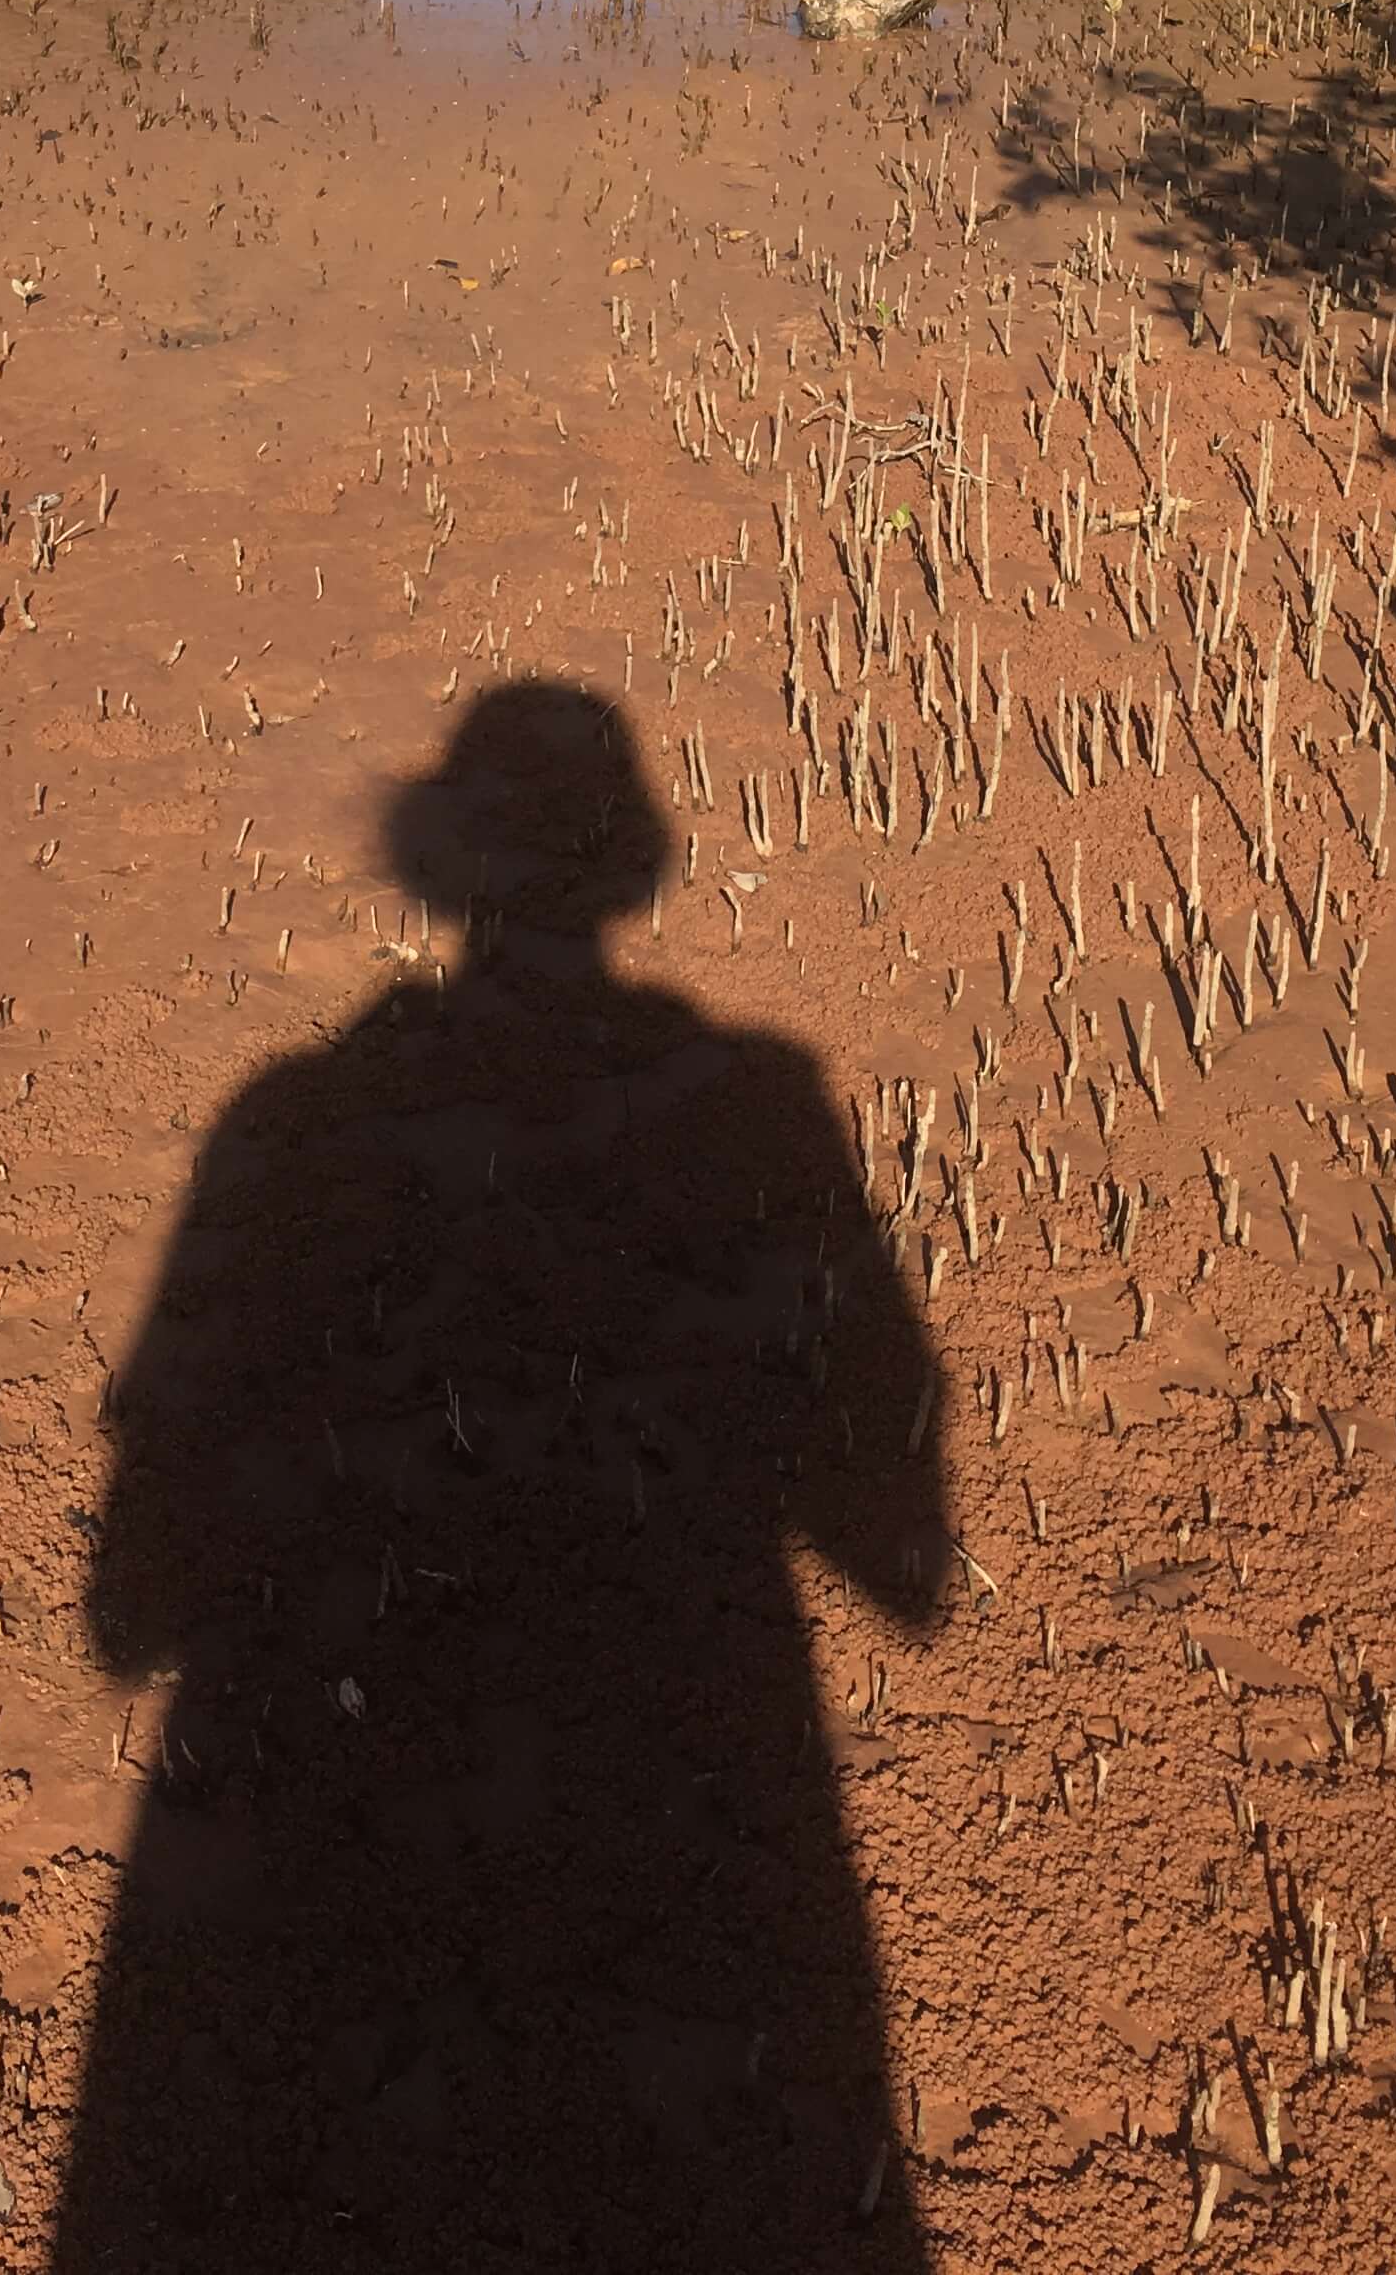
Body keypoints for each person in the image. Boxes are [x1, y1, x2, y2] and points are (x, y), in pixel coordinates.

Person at [53, 678, 950, 2271]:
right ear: (638, 867)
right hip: (679, 1782)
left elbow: (130, 1607)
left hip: (347, 1831)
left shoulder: (295, 1122)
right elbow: (903, 1551)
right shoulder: (756, 1106)